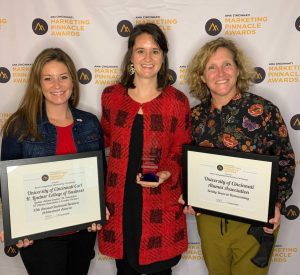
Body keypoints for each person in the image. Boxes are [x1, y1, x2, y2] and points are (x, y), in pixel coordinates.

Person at [185, 37, 295, 275]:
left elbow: (285, 160)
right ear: (202, 77)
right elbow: (189, 165)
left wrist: (277, 203)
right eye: (211, 67)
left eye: (227, 65)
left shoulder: (264, 111)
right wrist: (189, 194)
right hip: (210, 221)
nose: (220, 73)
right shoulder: (195, 116)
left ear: (237, 69)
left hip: (254, 222)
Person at [0, 48, 107, 275]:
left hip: (83, 232)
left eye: (63, 77)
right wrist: (16, 229)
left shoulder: (89, 123)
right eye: (48, 78)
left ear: (72, 81)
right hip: (40, 239)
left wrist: (98, 211)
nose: (57, 85)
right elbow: (8, 185)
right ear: (38, 84)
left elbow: (99, 176)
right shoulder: (19, 126)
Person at [98, 23, 191, 275]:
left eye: (155, 51)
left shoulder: (177, 102)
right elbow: (102, 147)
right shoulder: (111, 97)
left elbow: (181, 153)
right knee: (125, 268)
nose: (148, 58)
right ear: (131, 56)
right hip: (121, 206)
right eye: (141, 51)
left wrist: (166, 173)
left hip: (160, 208)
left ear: (164, 57)